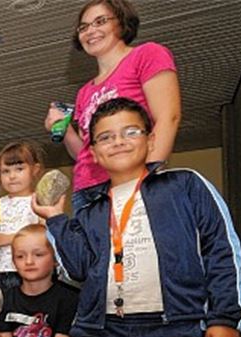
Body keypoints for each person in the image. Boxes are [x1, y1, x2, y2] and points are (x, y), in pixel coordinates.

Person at [34, 98, 241, 337]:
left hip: (173, 328)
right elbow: (78, 268)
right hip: (103, 332)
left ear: (150, 140)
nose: (118, 141)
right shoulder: (91, 209)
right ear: (94, 153)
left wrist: (225, 319)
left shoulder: (185, 185)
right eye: (106, 137)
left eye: (130, 132)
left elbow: (221, 250)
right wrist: (55, 219)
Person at [44, 0, 179, 212]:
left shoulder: (147, 55)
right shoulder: (84, 92)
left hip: (130, 179)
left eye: (100, 21)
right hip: (86, 191)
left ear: (122, 22)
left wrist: (148, 178)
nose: (91, 31)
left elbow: (169, 117)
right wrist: (65, 129)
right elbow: (85, 152)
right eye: (83, 27)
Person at [0, 141, 44, 291]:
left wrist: (7, 239)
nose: (12, 176)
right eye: (5, 171)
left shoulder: (40, 201)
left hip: (31, 270)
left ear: (35, 169)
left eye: (19, 169)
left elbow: (45, 233)